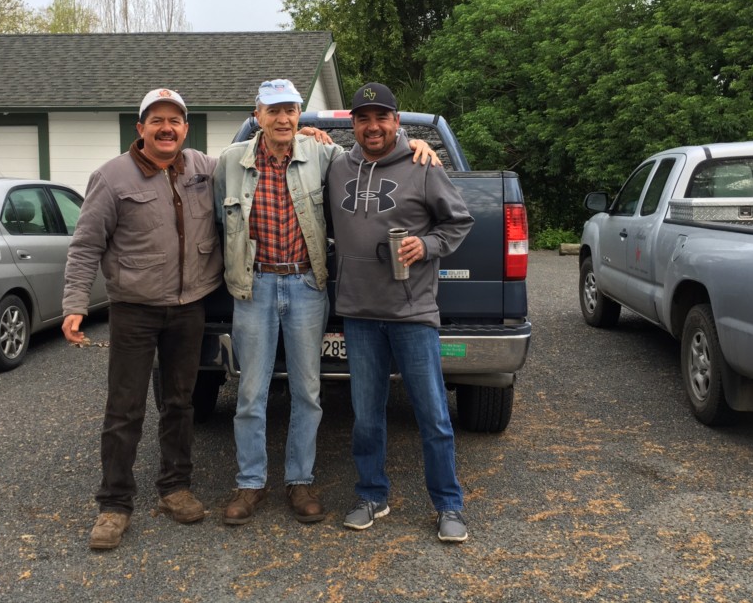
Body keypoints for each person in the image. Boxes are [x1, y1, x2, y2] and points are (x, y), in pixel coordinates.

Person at [213, 79, 438, 526]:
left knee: (308, 392)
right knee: (251, 392)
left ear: (299, 114)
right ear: (257, 116)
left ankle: (300, 481)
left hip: (305, 284)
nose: (282, 119)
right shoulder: (228, 162)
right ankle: (250, 483)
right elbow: (217, 218)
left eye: (290, 110)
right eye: (273, 110)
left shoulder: (324, 154)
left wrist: (415, 142)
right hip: (253, 286)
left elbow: (373, 154)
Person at [62, 87, 222, 550]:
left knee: (180, 402)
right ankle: (114, 504)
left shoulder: (204, 168)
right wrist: (74, 304)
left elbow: (254, 156)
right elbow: (86, 245)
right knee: (124, 408)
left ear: (185, 129)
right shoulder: (111, 177)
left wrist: (310, 134)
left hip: (190, 307)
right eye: (157, 120)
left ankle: (175, 488)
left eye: (174, 120)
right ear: (141, 128)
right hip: (134, 309)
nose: (166, 128)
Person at [326, 82, 475, 543]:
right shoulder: (336, 166)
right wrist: (310, 135)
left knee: (433, 415)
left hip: (412, 312)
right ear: (353, 124)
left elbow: (459, 221)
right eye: (363, 118)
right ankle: (372, 495)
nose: (373, 127)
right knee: (366, 416)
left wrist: (426, 245)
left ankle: (448, 504)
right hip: (358, 311)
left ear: (397, 121)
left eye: (382, 118)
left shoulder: (423, 166)